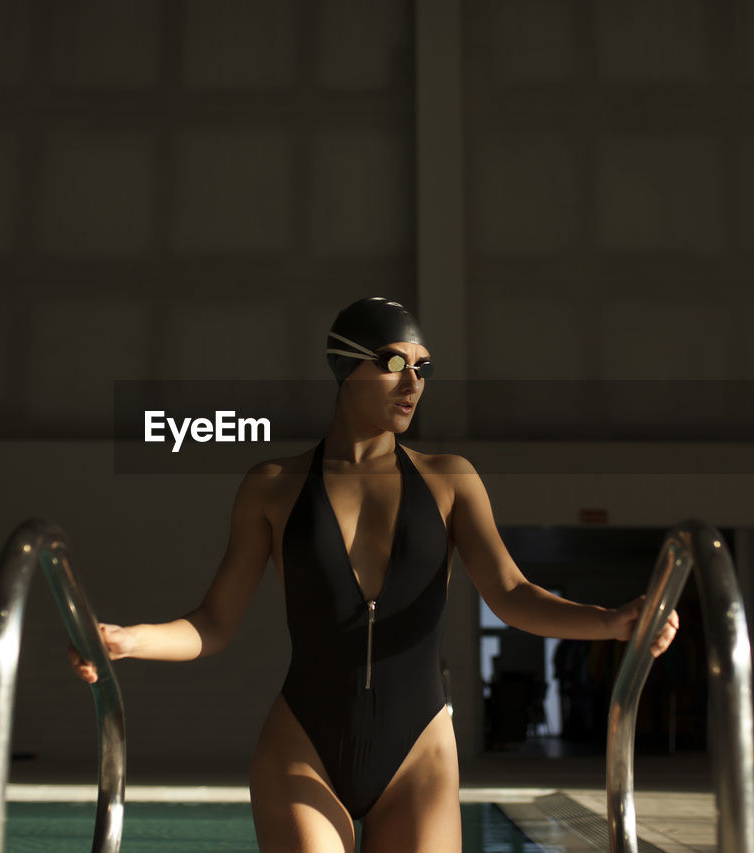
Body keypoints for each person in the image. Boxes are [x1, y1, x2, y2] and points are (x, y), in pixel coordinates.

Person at [69, 297, 679, 852]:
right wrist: (128, 640)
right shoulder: (273, 487)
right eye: (394, 362)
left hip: (419, 751)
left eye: (424, 368)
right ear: (345, 368)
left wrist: (613, 623)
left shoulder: (449, 479)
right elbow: (213, 624)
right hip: (303, 744)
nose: (414, 382)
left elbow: (513, 594)